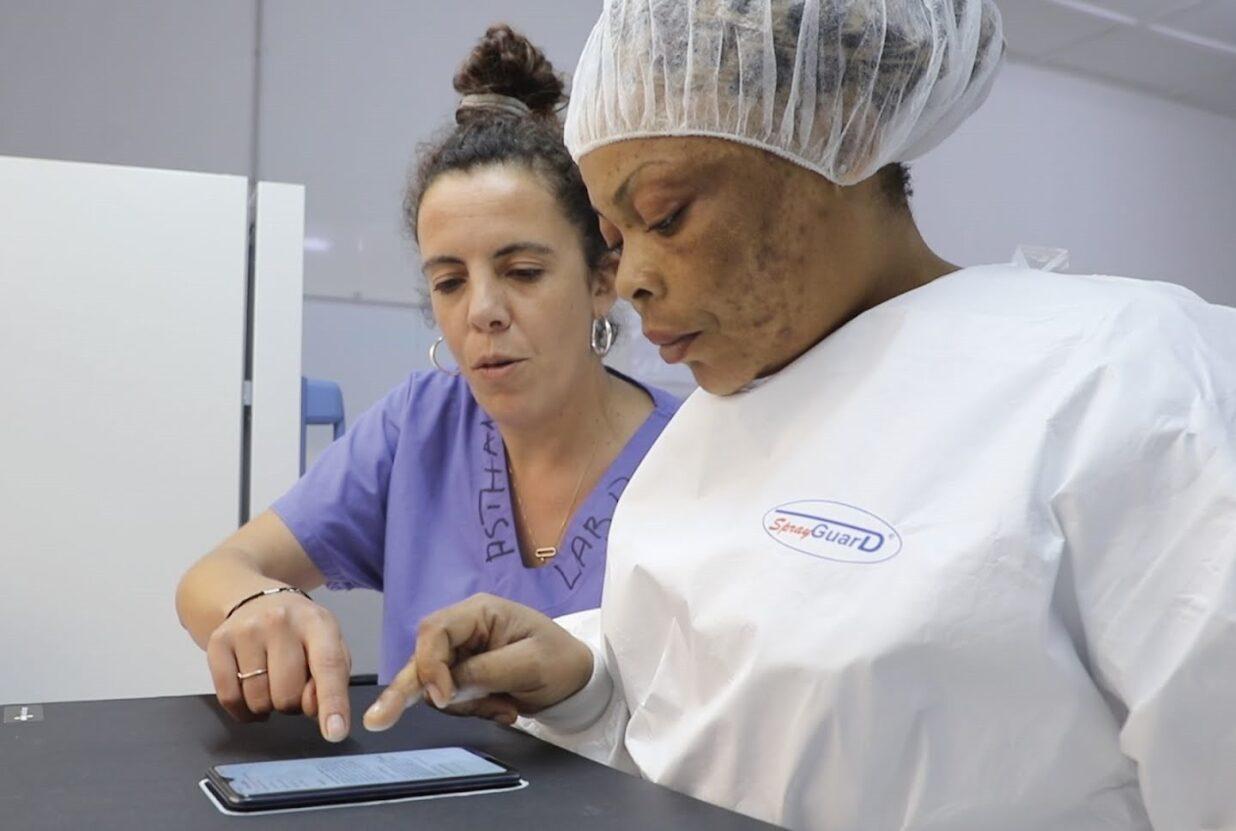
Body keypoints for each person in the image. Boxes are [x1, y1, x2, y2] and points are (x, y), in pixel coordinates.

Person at [362, 2, 1236, 829]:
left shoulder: (1129, 376)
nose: (629, 280)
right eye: (616, 239)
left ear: (839, 137)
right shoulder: (710, 425)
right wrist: (585, 682)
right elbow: (711, 730)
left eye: (665, 215)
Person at [175, 25, 679, 746]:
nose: (482, 311)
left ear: (604, 280)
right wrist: (262, 604)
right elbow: (210, 574)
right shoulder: (420, 425)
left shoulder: (691, 457)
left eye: (523, 272)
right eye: (449, 280)